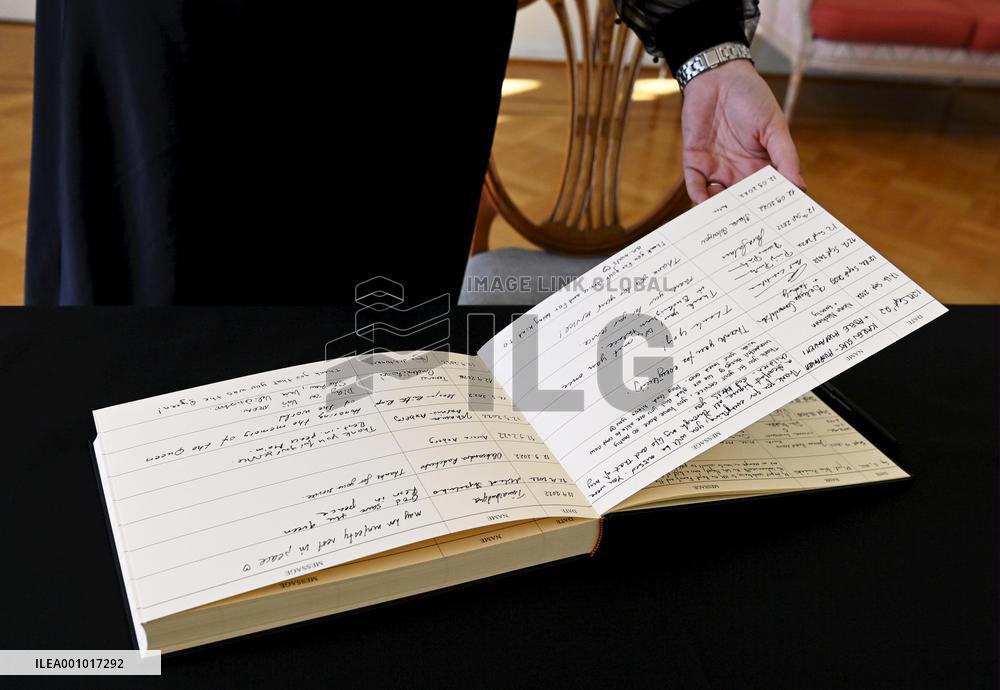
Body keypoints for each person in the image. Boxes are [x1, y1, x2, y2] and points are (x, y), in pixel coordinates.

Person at [25, 0, 803, 305]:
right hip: (171, 50)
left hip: (402, 68)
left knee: (373, 362)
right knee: (157, 328)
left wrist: (706, 47)